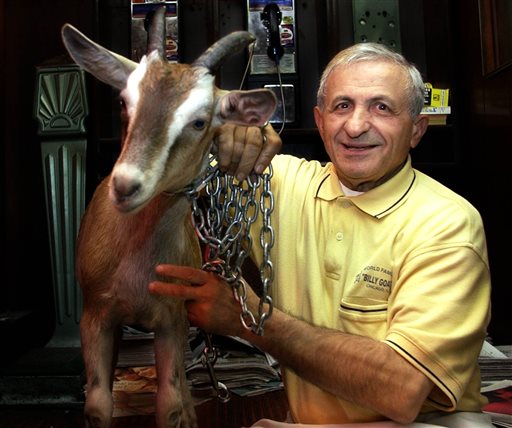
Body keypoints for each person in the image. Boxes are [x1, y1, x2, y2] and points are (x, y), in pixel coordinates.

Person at [148, 42, 492, 427]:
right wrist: (222, 126)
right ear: (320, 120)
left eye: (382, 107)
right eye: (342, 106)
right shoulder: (281, 184)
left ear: (416, 129)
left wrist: (250, 319)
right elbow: (163, 159)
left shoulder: (447, 223)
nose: (356, 125)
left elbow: (403, 389)